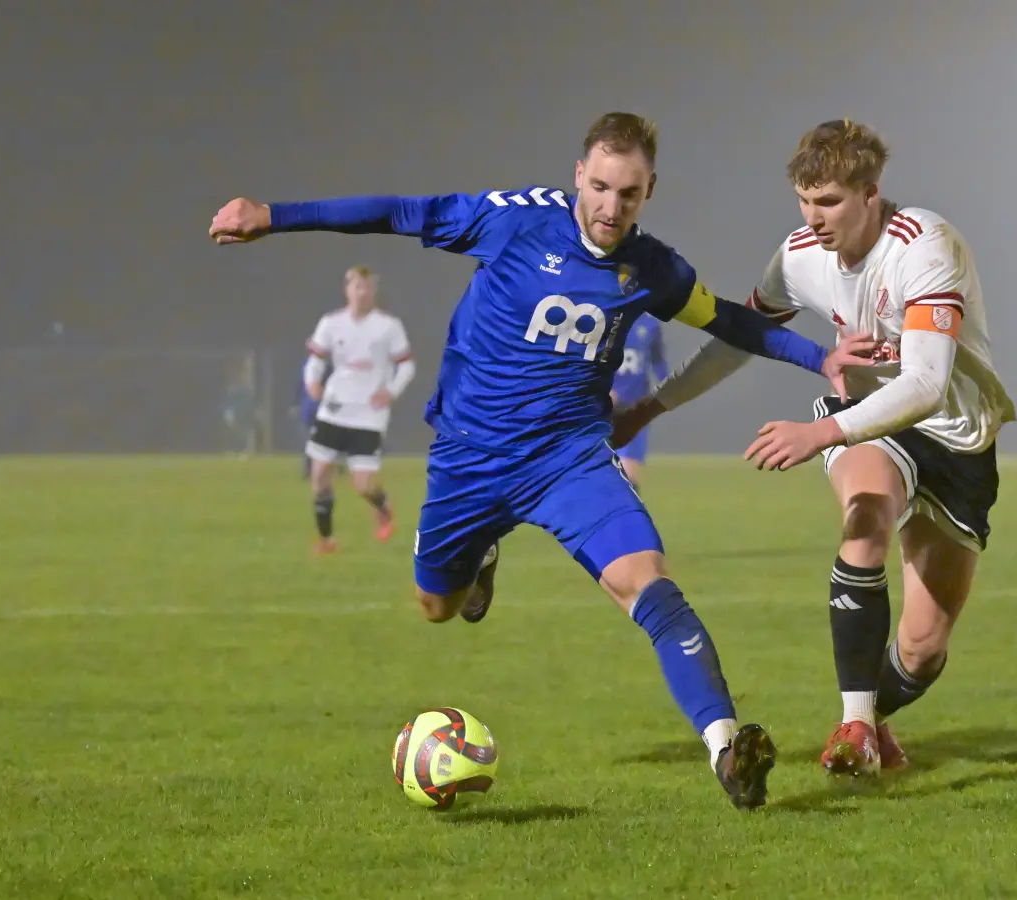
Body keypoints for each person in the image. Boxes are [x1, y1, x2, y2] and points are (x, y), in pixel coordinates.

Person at [209, 111, 877, 810]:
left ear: (649, 192)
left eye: (629, 193)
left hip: (570, 460)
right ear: (577, 177)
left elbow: (731, 322)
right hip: (469, 459)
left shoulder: (652, 268)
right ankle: (481, 555)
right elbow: (401, 213)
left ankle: (726, 750)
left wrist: (819, 356)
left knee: (648, 585)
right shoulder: (515, 220)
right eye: (599, 187)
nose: (610, 207)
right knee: (437, 606)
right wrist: (272, 216)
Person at [613, 119, 1017, 777]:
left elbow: (924, 383)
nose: (813, 218)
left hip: (958, 435)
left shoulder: (925, 246)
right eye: (803, 201)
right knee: (866, 517)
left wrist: (820, 433)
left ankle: (865, 719)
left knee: (921, 649)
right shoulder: (799, 255)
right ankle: (856, 729)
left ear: (871, 193)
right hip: (868, 423)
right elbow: (736, 339)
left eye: (827, 201)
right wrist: (651, 407)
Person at [301, 266, 416, 553]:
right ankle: (327, 540)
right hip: (335, 408)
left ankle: (383, 505)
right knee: (319, 474)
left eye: (366, 287)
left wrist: (389, 391)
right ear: (347, 289)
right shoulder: (331, 323)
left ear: (373, 291)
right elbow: (315, 359)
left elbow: (407, 365)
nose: (361, 292)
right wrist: (312, 381)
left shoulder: (388, 326)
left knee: (362, 484)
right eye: (356, 287)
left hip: (369, 414)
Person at [608, 311, 670, 488]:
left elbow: (658, 361)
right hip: (602, 409)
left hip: (634, 411)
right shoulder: (603, 317)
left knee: (629, 475)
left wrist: (667, 389)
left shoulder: (650, 324)